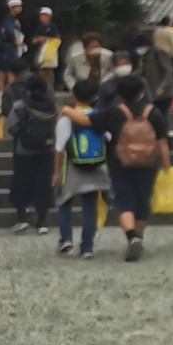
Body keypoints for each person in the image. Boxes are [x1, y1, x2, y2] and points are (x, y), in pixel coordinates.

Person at [105, 74, 170, 263]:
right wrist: (167, 165)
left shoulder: (115, 113)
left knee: (124, 202)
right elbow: (162, 142)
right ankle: (138, 238)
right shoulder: (153, 113)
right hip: (148, 163)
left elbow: (90, 123)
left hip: (120, 163)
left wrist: (67, 111)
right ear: (142, 92)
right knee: (142, 202)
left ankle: (131, 236)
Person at [54, 79, 110, 258]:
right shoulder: (99, 116)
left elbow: (59, 148)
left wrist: (56, 172)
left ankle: (66, 238)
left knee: (64, 202)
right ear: (94, 97)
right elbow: (108, 137)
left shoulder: (66, 119)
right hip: (95, 166)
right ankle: (87, 247)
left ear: (73, 94)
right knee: (90, 206)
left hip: (72, 166)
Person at [4, 71, 58, 234]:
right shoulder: (52, 106)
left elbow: (11, 125)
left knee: (22, 182)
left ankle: (22, 218)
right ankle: (42, 222)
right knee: (43, 184)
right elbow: (55, 128)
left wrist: (21, 134)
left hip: (24, 150)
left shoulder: (21, 105)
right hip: (46, 149)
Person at [142, 18, 173, 115]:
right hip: (166, 56)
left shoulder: (156, 31)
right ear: (169, 23)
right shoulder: (170, 31)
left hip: (154, 58)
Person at [0, 0, 26, 91]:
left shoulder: (13, 20)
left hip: (11, 46)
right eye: (18, 6)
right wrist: (15, 41)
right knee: (7, 67)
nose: (20, 8)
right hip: (8, 46)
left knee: (8, 67)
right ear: (12, 7)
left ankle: (7, 87)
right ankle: (3, 87)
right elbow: (9, 32)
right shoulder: (8, 20)